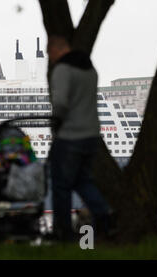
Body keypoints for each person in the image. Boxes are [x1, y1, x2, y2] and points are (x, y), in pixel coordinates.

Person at [47, 35, 111, 241]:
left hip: (70, 136)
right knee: (83, 180)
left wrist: (55, 125)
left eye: (50, 55)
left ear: (55, 50)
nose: (51, 60)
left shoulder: (62, 70)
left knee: (61, 185)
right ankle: (105, 217)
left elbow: (61, 102)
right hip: (92, 134)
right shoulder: (90, 70)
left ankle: (63, 231)